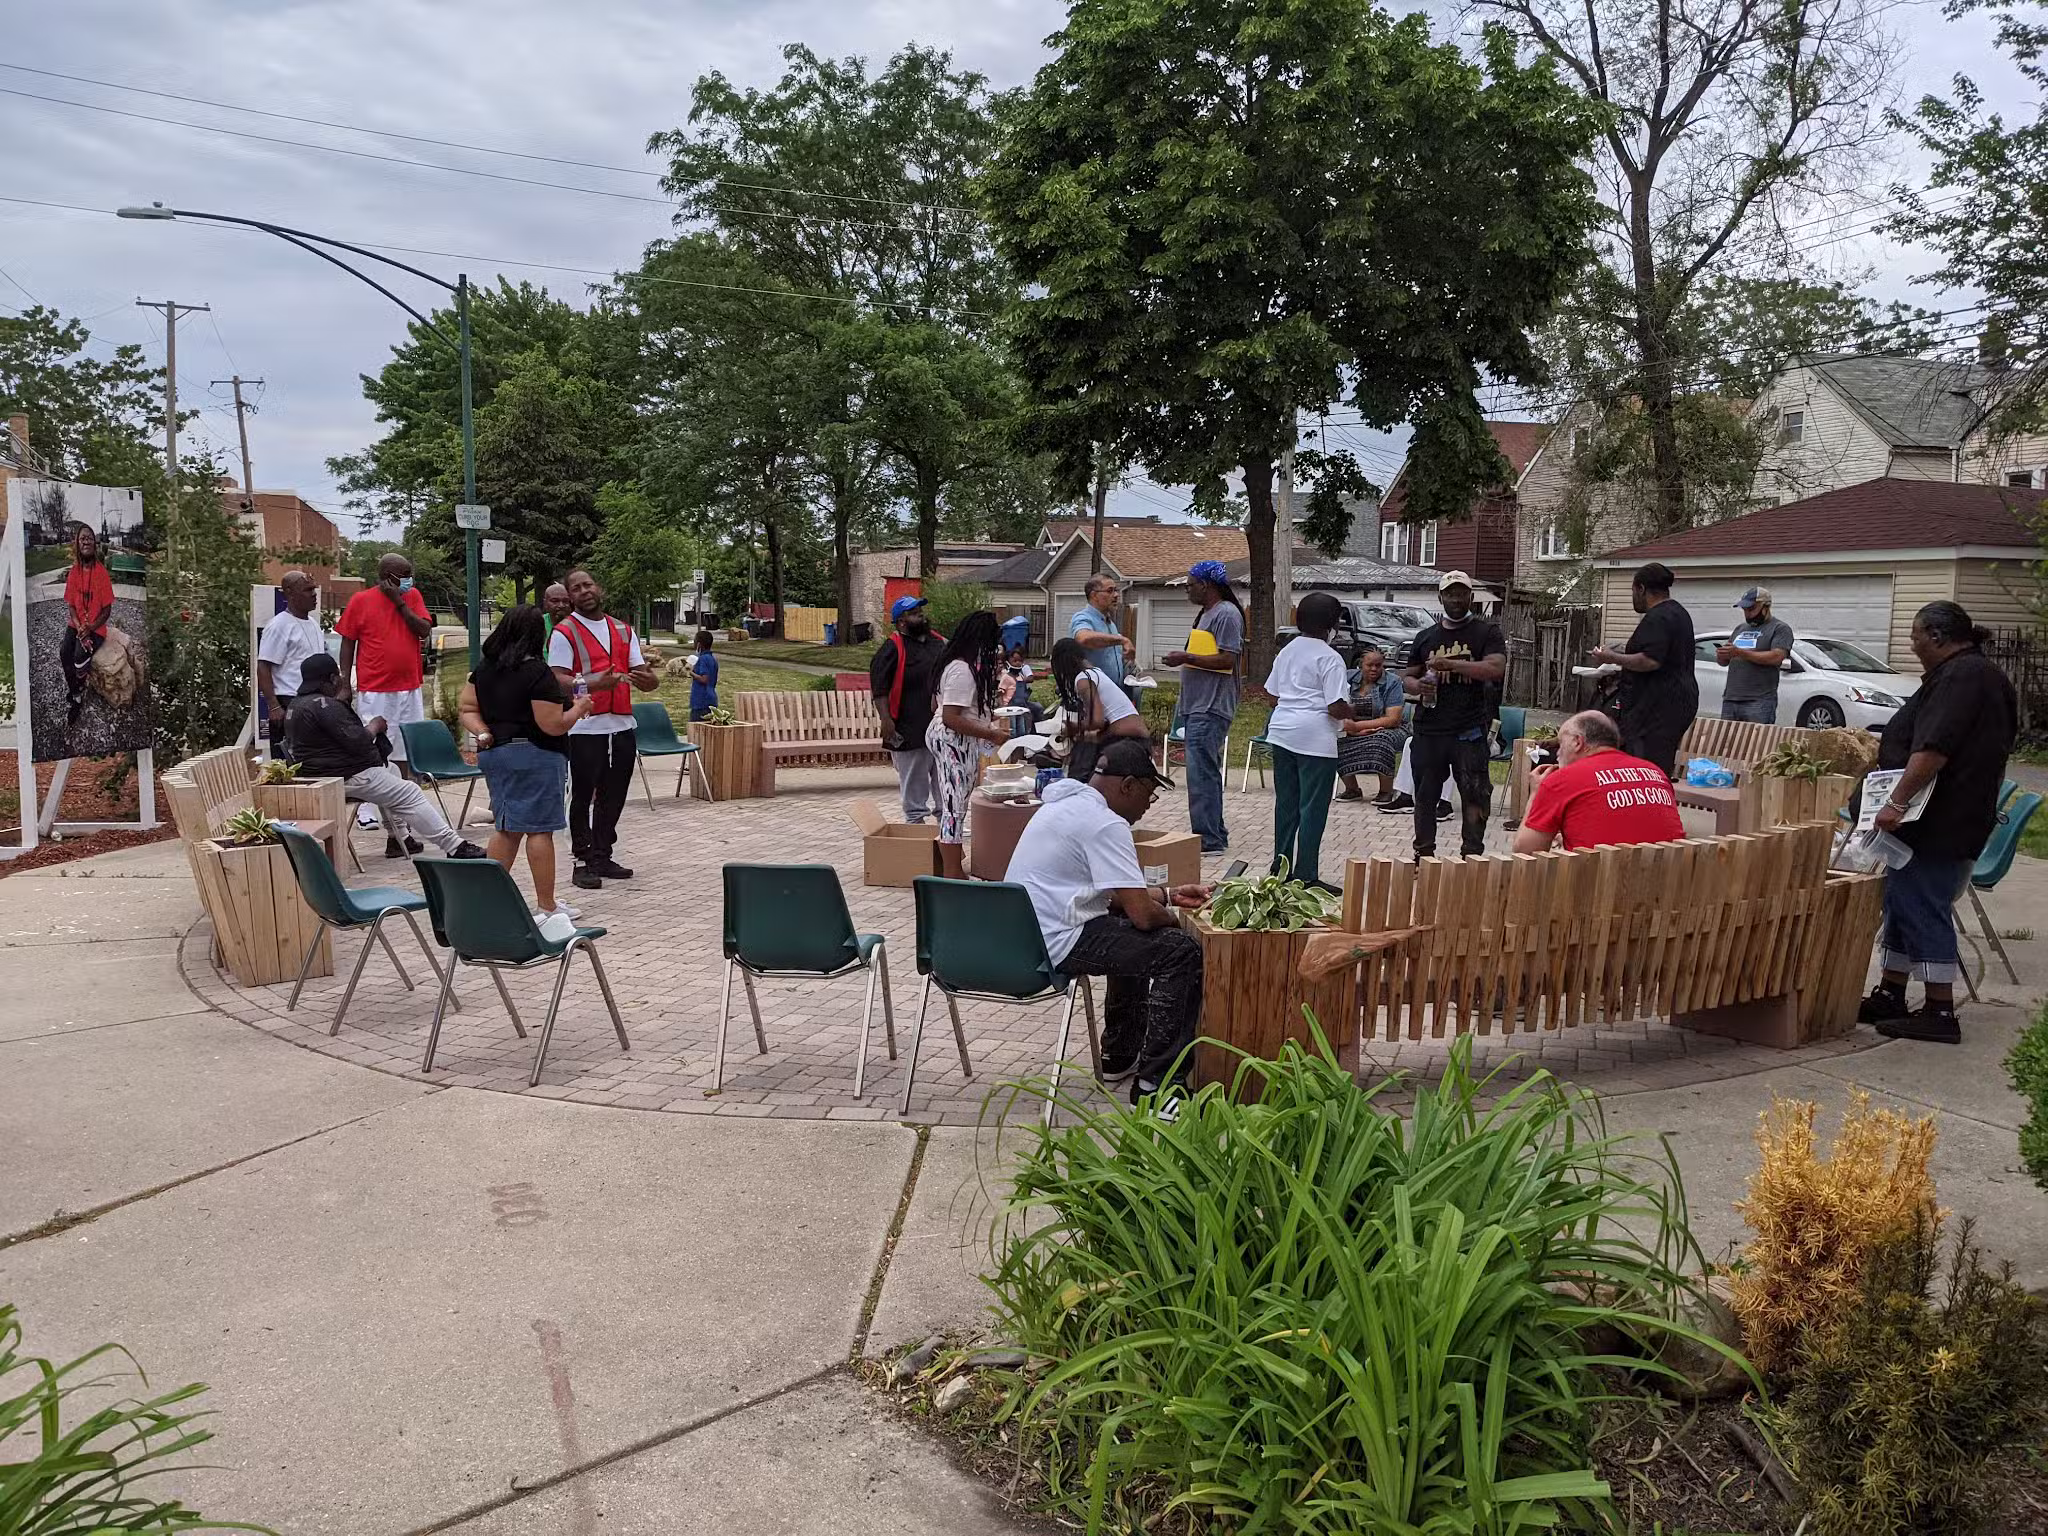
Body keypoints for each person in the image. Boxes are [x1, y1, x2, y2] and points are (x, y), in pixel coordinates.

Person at [1006, 738, 1211, 1107]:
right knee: (1178, 952)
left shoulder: (1064, 806)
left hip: (1024, 933)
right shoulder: (1105, 824)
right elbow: (1143, 916)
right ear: (1127, 785)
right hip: (1055, 940)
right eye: (1148, 793)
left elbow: (1112, 896)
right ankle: (1159, 1089)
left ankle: (1120, 1054)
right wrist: (1178, 921)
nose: (1149, 805)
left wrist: (1169, 894)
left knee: (1129, 935)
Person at [1858, 601, 2018, 1044]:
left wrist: (1895, 801)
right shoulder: (1972, 674)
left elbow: (1933, 749)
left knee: (1923, 903)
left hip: (1940, 820)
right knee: (1903, 903)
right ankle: (1891, 992)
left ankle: (1939, 1010)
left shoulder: (1964, 678)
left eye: (1915, 638)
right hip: (1937, 819)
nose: (1913, 646)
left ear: (1938, 637)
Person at [459, 605, 593, 919]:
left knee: (506, 829)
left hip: (496, 754)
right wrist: (580, 707)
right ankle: (546, 906)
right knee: (539, 831)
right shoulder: (536, 672)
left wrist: (482, 733)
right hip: (535, 755)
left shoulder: (485, 668)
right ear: (537, 635)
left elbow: (467, 708)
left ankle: (488, 901)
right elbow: (553, 724)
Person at [288, 654, 487, 860]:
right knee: (410, 792)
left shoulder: (297, 705)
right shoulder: (325, 706)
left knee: (390, 770)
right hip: (344, 776)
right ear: (331, 679)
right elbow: (359, 741)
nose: (340, 680)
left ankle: (399, 839)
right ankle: (455, 846)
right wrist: (375, 725)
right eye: (338, 676)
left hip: (322, 775)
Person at [547, 569, 658, 891]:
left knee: (615, 794)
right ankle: (581, 860)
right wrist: (593, 682)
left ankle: (602, 853)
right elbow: (556, 679)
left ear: (600, 589)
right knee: (582, 795)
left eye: (588, 584)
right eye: (576, 588)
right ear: (570, 597)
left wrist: (650, 680)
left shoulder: (623, 630)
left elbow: (643, 673)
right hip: (584, 726)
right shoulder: (564, 632)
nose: (584, 591)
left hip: (621, 722)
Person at [336, 552, 436, 857]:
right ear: (386, 575)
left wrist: (400, 601)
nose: (409, 579)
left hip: (409, 688)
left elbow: (423, 629)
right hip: (376, 691)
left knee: (404, 761)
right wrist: (344, 681)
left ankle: (400, 830)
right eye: (403, 574)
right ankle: (396, 832)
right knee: (381, 759)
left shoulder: (412, 596)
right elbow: (347, 642)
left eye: (410, 573)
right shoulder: (360, 601)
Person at [1402, 572, 1506, 861]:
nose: (1456, 599)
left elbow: (1495, 668)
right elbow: (1407, 678)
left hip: (1469, 730)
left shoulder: (1486, 633)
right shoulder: (1425, 637)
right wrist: (1417, 686)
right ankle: (1423, 856)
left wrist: (1453, 665)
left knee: (1475, 796)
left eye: (1462, 594)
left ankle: (1471, 857)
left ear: (1471, 597)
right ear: (1440, 598)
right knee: (1424, 797)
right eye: (1450, 594)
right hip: (1429, 730)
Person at [1261, 593, 1352, 889]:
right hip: (1315, 738)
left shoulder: (1287, 651)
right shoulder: (1330, 657)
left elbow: (1272, 695)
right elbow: (1336, 705)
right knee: (1312, 808)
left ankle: (1280, 869)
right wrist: (1355, 711)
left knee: (1286, 805)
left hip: (1283, 732)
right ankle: (1306, 875)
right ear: (1331, 623)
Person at [1512, 710, 1685, 854]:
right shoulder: (1654, 772)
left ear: (1578, 742)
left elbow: (1526, 853)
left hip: (1598, 889)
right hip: (1666, 887)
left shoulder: (1563, 780)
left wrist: (1536, 793)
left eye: (1561, 743)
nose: (1557, 752)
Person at [1161, 561, 1244, 854]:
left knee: (1201, 774)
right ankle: (1213, 834)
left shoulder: (1226, 614)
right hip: (1197, 705)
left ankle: (1208, 840)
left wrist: (1186, 658)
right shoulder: (1208, 614)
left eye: (1190, 584)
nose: (1187, 589)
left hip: (1211, 706)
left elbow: (1227, 660)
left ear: (1206, 585)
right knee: (1202, 773)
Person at [1591, 562, 1697, 779]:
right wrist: (1623, 649)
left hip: (1657, 707)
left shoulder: (1657, 617)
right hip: (1678, 702)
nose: (1633, 598)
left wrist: (1610, 657)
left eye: (1633, 591)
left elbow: (1650, 660)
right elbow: (1664, 651)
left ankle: (1648, 807)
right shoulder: (1678, 613)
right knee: (1658, 762)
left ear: (1641, 589)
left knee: (1646, 766)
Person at [926, 610, 1010, 879]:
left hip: (954, 737)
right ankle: (952, 872)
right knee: (954, 804)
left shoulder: (952, 664)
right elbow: (951, 717)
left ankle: (952, 865)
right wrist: (989, 733)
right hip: (953, 739)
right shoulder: (962, 670)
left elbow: (935, 705)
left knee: (957, 799)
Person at [871, 595, 949, 824]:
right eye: (914, 613)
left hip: (939, 726)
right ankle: (915, 828)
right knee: (915, 786)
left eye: (920, 611)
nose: (920, 615)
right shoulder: (892, 648)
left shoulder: (937, 643)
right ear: (901, 621)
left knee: (943, 782)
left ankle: (946, 827)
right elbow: (880, 688)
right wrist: (886, 720)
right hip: (908, 727)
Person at [1049, 636, 1147, 780]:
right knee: (1087, 746)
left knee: (1082, 770)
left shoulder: (1083, 679)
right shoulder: (1096, 673)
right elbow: (1105, 723)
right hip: (1137, 739)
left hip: (1127, 740)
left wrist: (1072, 727)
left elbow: (1097, 721)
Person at [257, 571, 325, 762]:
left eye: (314, 589)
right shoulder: (278, 625)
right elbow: (263, 666)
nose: (314, 594)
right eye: (307, 590)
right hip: (289, 702)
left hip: (313, 703)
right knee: (289, 763)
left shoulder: (313, 623)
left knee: (312, 761)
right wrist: (273, 706)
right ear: (290, 593)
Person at [1337, 646, 1407, 804]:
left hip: (1388, 729)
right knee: (1334, 740)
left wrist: (1357, 727)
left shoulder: (1392, 682)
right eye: (1370, 665)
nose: (1374, 669)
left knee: (1381, 740)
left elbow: (1393, 719)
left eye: (1378, 665)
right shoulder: (1347, 677)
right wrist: (1353, 730)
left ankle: (1386, 791)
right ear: (1361, 664)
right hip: (1354, 729)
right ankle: (1352, 789)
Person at [59, 525, 114, 724]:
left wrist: (89, 628)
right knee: (64, 652)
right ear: (77, 543)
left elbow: (107, 611)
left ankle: (79, 690)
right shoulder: (74, 572)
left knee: (79, 658)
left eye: (90, 538)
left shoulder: (102, 574)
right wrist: (79, 626)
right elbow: (72, 606)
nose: (86, 541)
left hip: (96, 628)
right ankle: (75, 692)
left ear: (95, 543)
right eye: (82, 538)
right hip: (77, 624)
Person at [1716, 586, 1795, 724]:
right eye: (1744, 610)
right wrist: (1723, 655)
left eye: (1751, 609)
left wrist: (1740, 652)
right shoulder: (1740, 629)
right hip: (1731, 698)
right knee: (1728, 743)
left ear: (1766, 607)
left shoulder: (1780, 628)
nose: (1748, 614)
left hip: (1759, 700)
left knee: (1758, 743)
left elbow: (1776, 657)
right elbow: (1724, 662)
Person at [1068, 573, 1135, 687]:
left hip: (1113, 694)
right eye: (1110, 591)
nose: (1116, 595)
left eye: (1116, 590)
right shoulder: (1083, 618)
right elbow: (1084, 638)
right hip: (1094, 696)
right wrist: (1122, 640)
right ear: (1094, 595)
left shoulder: (1110, 623)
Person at [688, 630, 720, 721]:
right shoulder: (712, 658)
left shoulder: (702, 659)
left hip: (701, 700)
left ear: (699, 644)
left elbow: (704, 679)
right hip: (711, 697)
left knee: (696, 729)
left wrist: (691, 673)